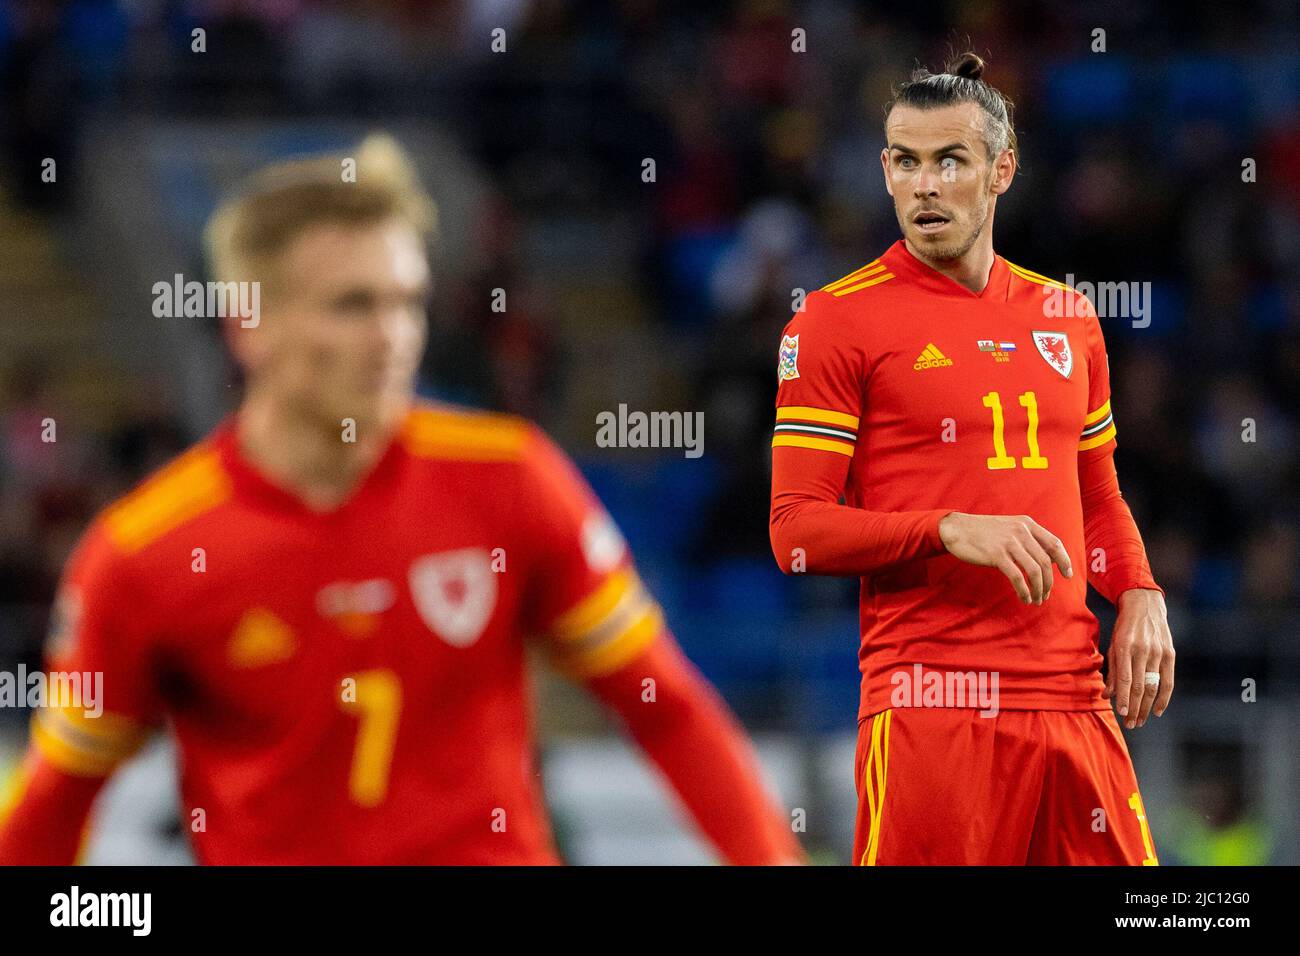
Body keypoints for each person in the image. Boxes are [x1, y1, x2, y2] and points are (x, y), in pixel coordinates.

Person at [0, 135, 802, 865]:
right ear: (250, 325)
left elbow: (666, 708)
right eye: (353, 304)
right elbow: (55, 804)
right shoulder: (147, 553)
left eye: (407, 300)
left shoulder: (511, 478)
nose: (392, 336)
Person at [769, 54, 1173, 865]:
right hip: (930, 701)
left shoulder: (1068, 317)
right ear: (884, 171)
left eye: (949, 161)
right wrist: (947, 528)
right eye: (906, 161)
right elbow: (796, 533)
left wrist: (1137, 589)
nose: (925, 185)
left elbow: (1096, 496)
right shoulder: (831, 324)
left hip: (1071, 700)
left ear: (1001, 171)